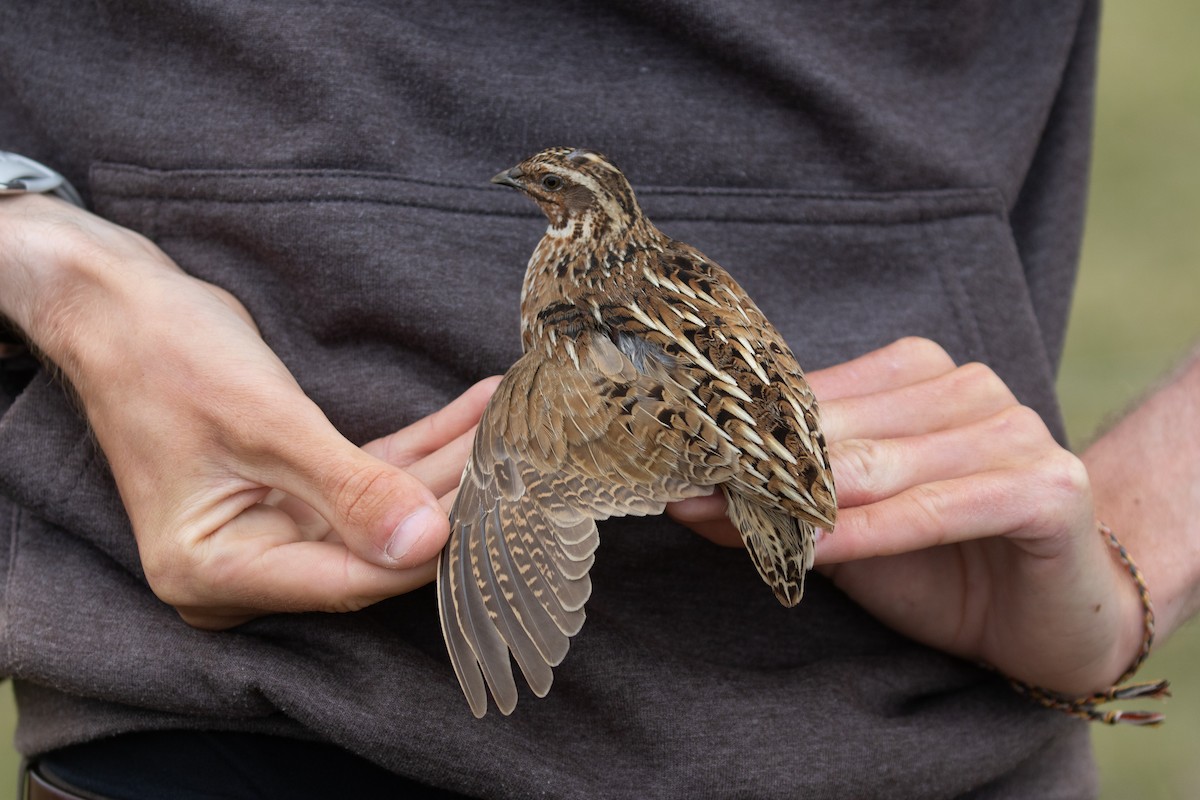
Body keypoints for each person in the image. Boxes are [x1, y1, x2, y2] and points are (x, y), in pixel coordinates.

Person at [0, 0, 1193, 797]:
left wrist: (1144, 534)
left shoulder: (587, 327)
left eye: (553, 191)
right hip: (246, 725)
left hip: (923, 734)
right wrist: (51, 262)